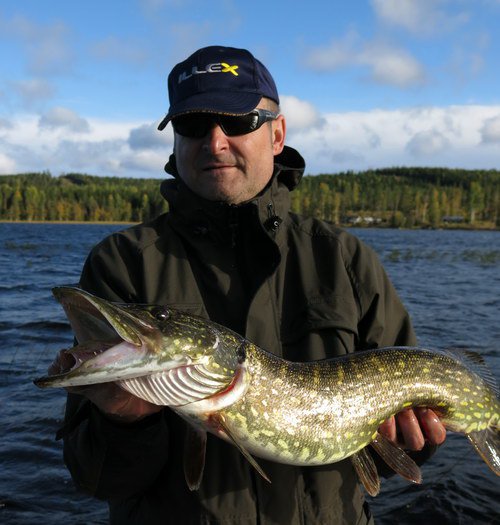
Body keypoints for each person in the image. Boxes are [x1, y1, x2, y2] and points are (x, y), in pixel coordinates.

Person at [51, 45, 446, 524]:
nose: (214, 143)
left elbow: (402, 449)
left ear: (277, 134)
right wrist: (122, 420)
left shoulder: (344, 259)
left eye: (237, 122)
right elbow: (97, 478)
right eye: (193, 126)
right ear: (175, 140)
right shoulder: (123, 264)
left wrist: (413, 440)